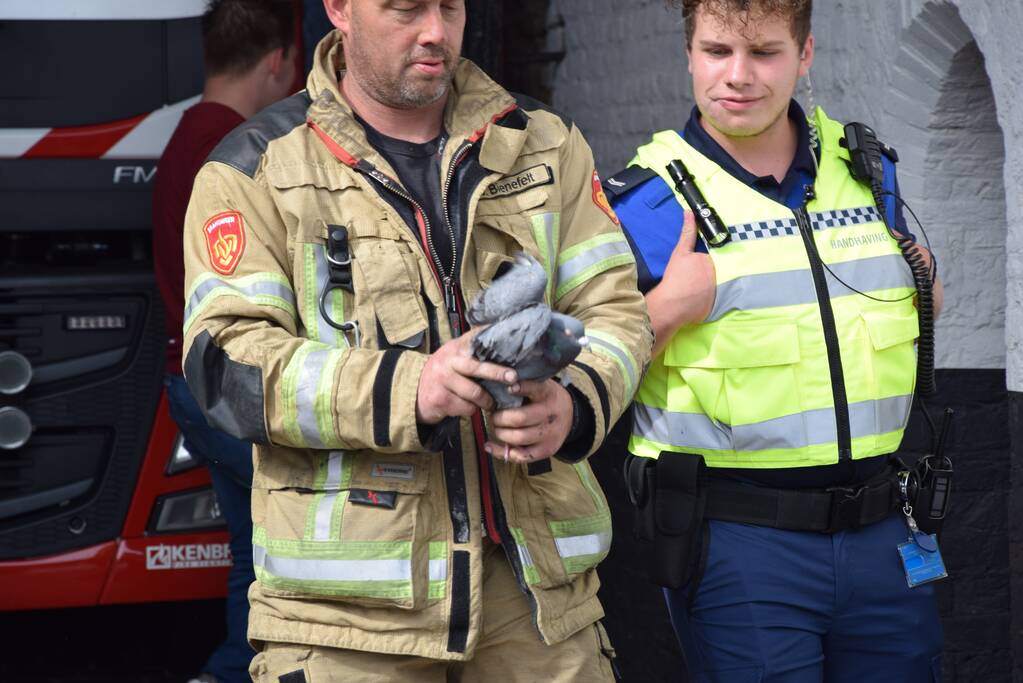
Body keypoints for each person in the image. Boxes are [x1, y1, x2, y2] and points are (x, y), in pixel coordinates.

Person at [180, 0, 652, 680]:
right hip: (345, 625)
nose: (435, 31)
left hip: (540, 609)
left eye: (450, 7)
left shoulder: (543, 142)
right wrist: (413, 387)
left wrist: (573, 405)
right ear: (338, 9)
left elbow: (616, 309)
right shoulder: (255, 169)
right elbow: (226, 367)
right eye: (405, 9)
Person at [607, 0, 946, 680]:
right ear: (688, 54)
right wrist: (661, 312)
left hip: (885, 527)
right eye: (715, 52)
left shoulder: (866, 169)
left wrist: (924, 292)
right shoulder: (646, 200)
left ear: (805, 54)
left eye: (762, 52)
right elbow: (579, 374)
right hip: (740, 541)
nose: (737, 75)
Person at [151, 2, 297, 682]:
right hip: (230, 384)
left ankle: (233, 667)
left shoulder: (184, 136)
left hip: (186, 377)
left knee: (251, 548)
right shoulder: (237, 152)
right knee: (295, 543)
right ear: (277, 61)